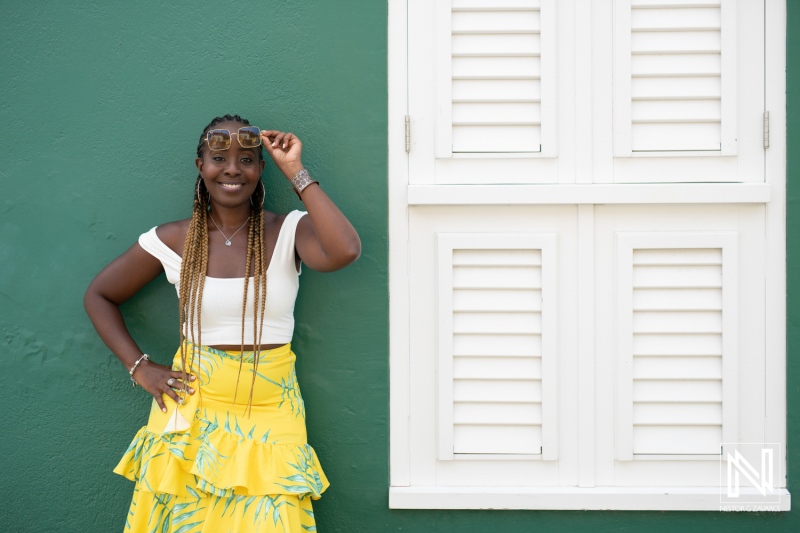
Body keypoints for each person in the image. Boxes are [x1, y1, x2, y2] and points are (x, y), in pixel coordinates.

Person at [84, 114, 361, 532]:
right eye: (219, 158)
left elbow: (344, 251)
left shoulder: (288, 231)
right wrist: (140, 367)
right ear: (201, 166)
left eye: (247, 159)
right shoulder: (172, 238)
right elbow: (99, 296)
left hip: (271, 409)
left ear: (260, 168)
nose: (233, 168)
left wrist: (296, 171)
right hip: (191, 410)